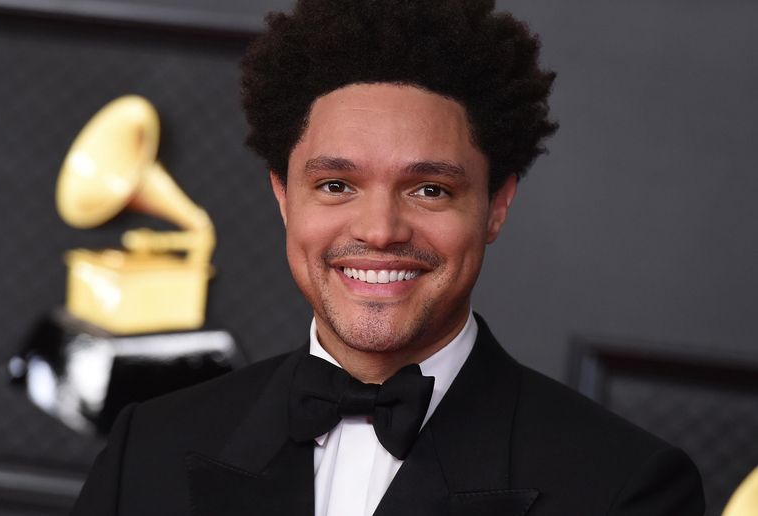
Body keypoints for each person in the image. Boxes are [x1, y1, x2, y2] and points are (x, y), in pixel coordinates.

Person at [72, 0, 705, 514]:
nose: (379, 230)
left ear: (496, 205)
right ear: (283, 197)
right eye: (336, 186)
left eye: (430, 190)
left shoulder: (627, 487)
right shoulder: (147, 449)